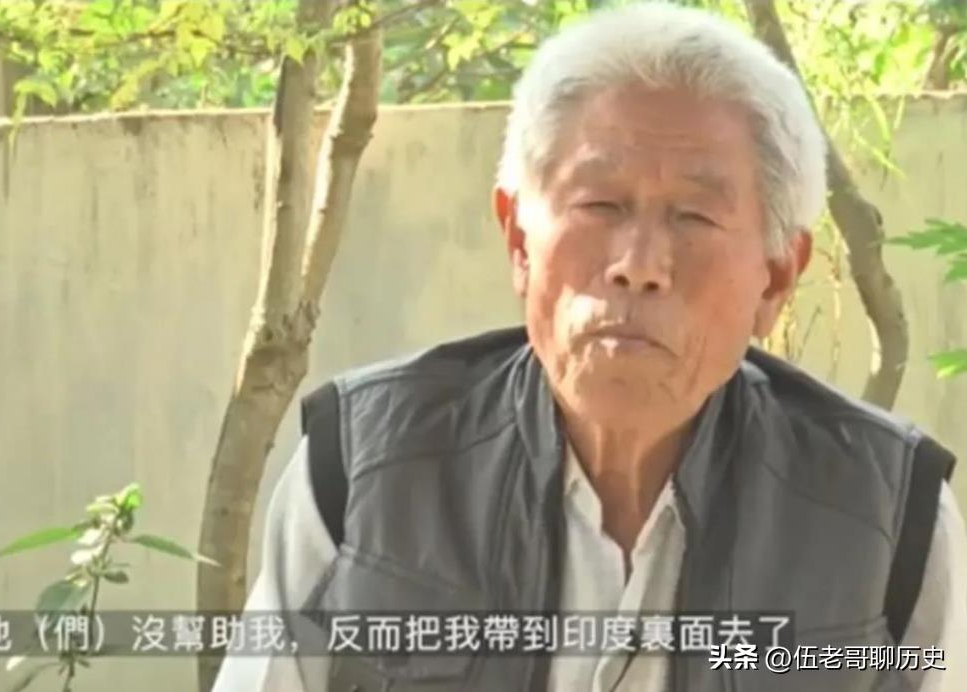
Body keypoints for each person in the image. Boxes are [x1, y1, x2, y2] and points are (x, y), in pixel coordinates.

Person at [212, 3, 967, 691]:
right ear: (518, 240)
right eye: (599, 204)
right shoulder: (361, 471)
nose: (639, 264)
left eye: (694, 217)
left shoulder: (891, 521)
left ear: (775, 279)